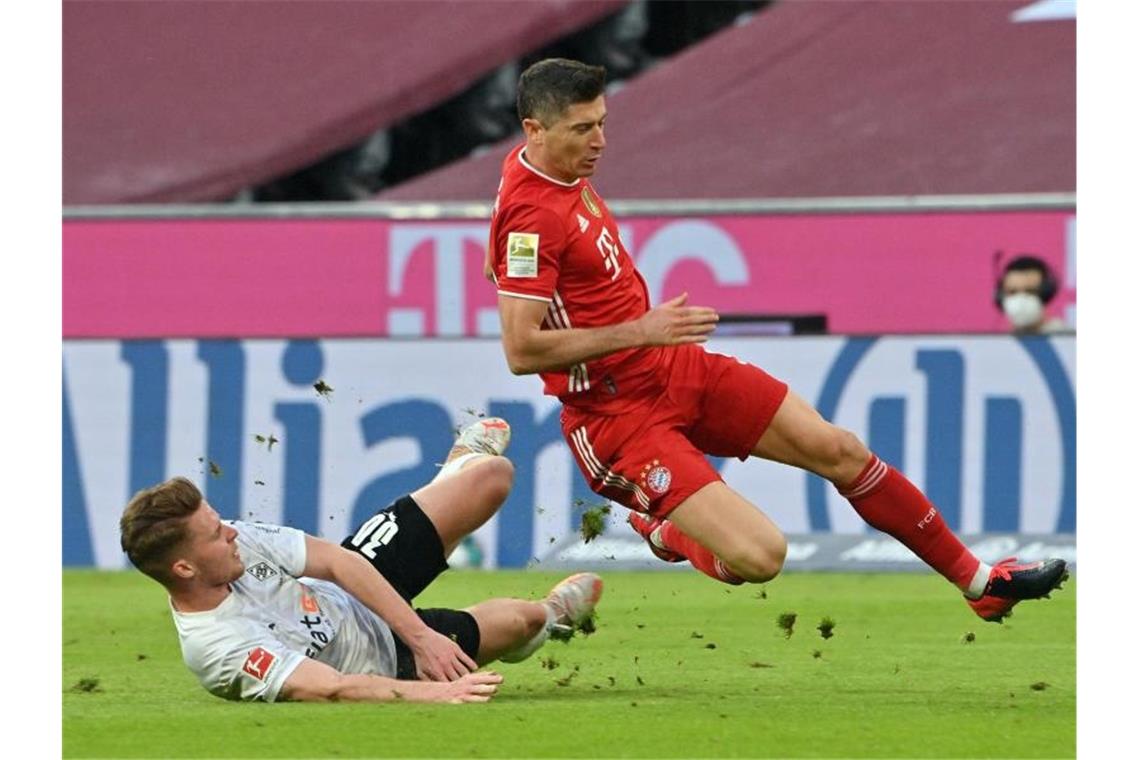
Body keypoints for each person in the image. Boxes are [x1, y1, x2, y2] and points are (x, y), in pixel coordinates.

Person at [485, 58, 1067, 624]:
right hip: (617, 415)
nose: (600, 141)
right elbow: (521, 350)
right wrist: (638, 328)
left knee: (841, 451)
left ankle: (982, 583)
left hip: (672, 367)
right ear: (534, 130)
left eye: (603, 122)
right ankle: (663, 531)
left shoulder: (552, 173)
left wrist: (559, 297)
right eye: (583, 129)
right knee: (761, 558)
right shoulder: (531, 214)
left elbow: (505, 270)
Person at [118, 418, 603, 703]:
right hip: (388, 663)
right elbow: (333, 688)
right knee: (522, 620)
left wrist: (422, 633)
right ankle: (554, 618)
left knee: (493, 475)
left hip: (357, 581)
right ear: (184, 568)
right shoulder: (217, 647)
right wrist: (437, 690)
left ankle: (455, 470)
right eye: (213, 533)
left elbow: (334, 561)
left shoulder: (237, 541)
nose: (230, 531)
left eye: (218, 519)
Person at [995, 254, 1069, 334]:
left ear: (1046, 294)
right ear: (1001, 297)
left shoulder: (1070, 340)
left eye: (1030, 291)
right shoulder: (995, 342)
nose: (1021, 299)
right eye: (1013, 292)